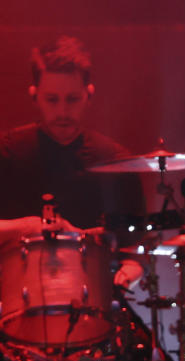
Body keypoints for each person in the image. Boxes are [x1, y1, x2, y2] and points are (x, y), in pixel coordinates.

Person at [0, 36, 145, 282]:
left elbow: (133, 252)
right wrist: (27, 227)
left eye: (72, 99)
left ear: (89, 95)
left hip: (92, 301)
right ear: (34, 96)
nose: (62, 112)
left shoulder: (116, 161)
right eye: (52, 100)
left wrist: (130, 271)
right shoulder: (6, 152)